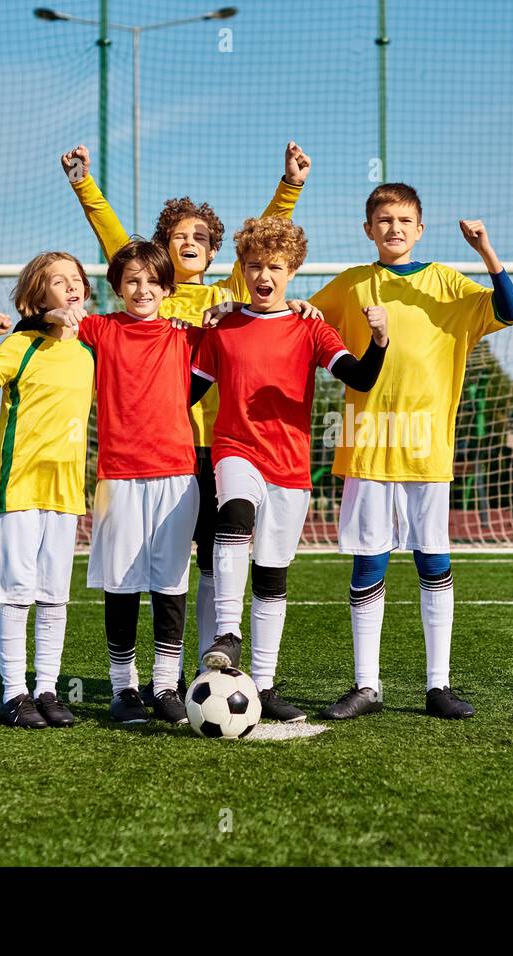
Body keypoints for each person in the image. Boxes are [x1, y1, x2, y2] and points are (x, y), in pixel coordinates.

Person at [60, 142, 312, 690]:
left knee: (211, 562)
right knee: (156, 570)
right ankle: (150, 677)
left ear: (217, 249)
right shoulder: (147, 296)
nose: (190, 243)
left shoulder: (228, 298)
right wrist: (85, 185)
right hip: (157, 454)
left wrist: (289, 187)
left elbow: (269, 245)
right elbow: (116, 244)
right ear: (162, 247)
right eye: (179, 237)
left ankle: (208, 663)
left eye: (200, 237)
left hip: (222, 450)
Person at [306, 184, 513, 719]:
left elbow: (511, 310)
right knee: (369, 562)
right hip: (366, 444)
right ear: (368, 229)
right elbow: (302, 326)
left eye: (404, 220)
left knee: (433, 561)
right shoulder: (352, 284)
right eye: (383, 220)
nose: (394, 228)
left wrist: (486, 253)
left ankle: (438, 685)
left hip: (427, 447)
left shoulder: (447, 283)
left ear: (420, 228)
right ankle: (366, 686)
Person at [191, 217, 388, 721]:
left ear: (292, 270)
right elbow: (186, 392)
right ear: (242, 268)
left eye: (274, 267)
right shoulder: (223, 326)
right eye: (253, 265)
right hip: (234, 448)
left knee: (273, 575)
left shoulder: (310, 327)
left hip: (290, 466)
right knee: (234, 515)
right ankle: (227, 634)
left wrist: (380, 340)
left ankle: (265, 685)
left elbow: (360, 378)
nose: (263, 275)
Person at [45, 240, 201, 726]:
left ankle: (167, 685)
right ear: (115, 288)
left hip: (177, 473)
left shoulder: (186, 337)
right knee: (121, 583)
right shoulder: (100, 329)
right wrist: (57, 314)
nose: (142, 289)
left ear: (168, 288)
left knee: (171, 583)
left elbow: (237, 327)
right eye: (132, 281)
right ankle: (123, 689)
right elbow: (44, 313)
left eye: (153, 281)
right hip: (119, 475)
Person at [0, 252, 95, 729]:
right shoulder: (20, 347)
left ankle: (49, 690)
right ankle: (14, 695)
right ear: (40, 295)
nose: (72, 287)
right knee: (18, 594)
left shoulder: (88, 351)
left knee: (55, 595)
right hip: (18, 489)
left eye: (76, 279)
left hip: (67, 493)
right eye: (59, 282)